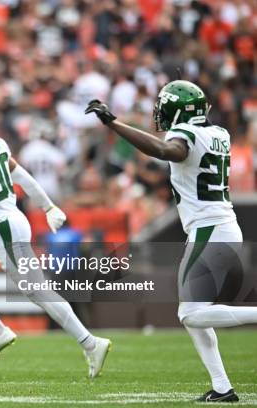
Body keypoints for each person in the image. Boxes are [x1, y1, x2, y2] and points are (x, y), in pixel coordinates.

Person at [86, 80, 257, 402]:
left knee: (189, 315)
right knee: (195, 315)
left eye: (165, 106)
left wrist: (113, 123)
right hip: (219, 226)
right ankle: (222, 387)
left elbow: (167, 150)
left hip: (210, 230)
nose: (160, 113)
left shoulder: (189, 136)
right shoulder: (219, 133)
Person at [0, 100, 111, 378]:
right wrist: (48, 205)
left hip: (2, 227)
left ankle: (90, 343)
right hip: (1, 224)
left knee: (38, 291)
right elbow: (22, 176)